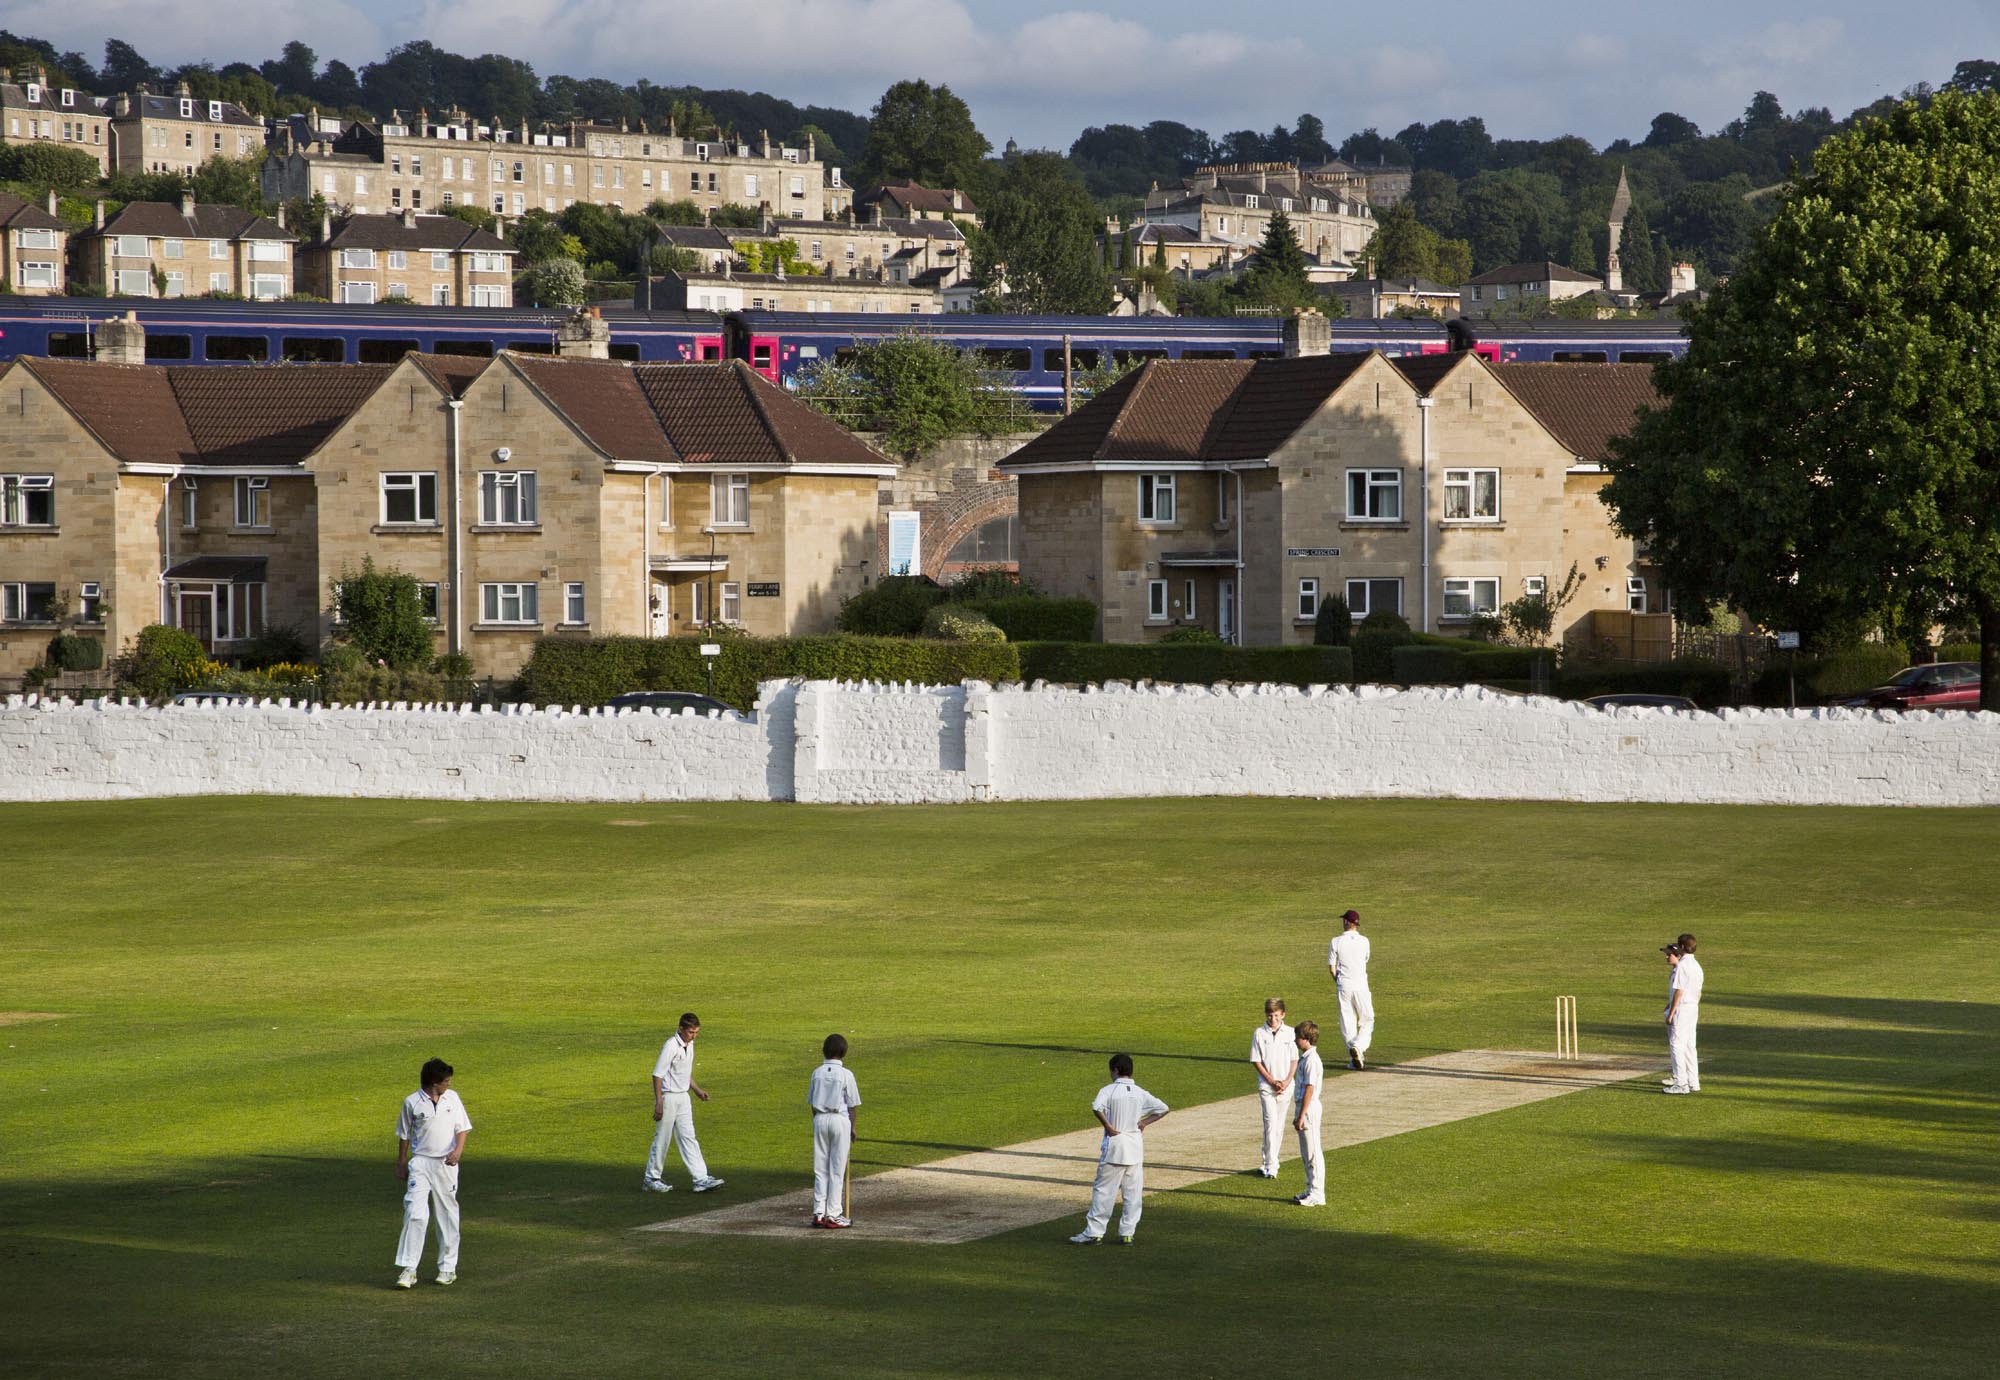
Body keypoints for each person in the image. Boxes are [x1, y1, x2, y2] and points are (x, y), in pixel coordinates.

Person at [1070, 1053, 1171, 1245]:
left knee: (1104, 1192)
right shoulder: (1140, 1092)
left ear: (1115, 1070)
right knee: (1133, 1194)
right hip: (1135, 1147)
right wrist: (1144, 1123)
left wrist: (1108, 1127)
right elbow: (1163, 1108)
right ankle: (1127, 1234)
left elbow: (1096, 1107)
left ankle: (1094, 1233)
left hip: (1115, 1147)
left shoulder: (1109, 1090)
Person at [394, 1057, 472, 1289]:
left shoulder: (453, 1098)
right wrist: (401, 1162)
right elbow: (404, 1135)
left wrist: (458, 1151)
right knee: (415, 1213)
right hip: (420, 1163)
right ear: (432, 1081)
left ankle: (447, 1268)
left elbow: (463, 1128)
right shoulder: (412, 1102)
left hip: (446, 1164)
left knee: (447, 1215)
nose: (448, 1083)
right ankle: (409, 1269)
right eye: (445, 1080)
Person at [644, 1012, 725, 1194]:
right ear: (681, 1029)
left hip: (683, 1097)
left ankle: (700, 1179)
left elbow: (685, 1073)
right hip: (669, 1097)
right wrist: (659, 1102)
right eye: (691, 1032)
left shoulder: (690, 1044)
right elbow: (657, 1075)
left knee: (689, 1137)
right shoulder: (671, 1046)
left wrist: (697, 1090)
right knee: (663, 1138)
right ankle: (651, 1178)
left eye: (696, 1032)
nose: (694, 1036)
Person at [808, 1033, 861, 1228]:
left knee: (820, 1168)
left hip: (820, 1118)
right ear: (843, 1053)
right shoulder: (846, 1074)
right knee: (836, 1169)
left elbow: (812, 1102)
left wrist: (818, 1122)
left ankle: (819, 1212)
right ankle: (834, 1214)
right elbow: (852, 1104)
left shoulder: (817, 1072)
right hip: (839, 1120)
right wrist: (852, 1128)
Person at [1249, 998, 1297, 1179]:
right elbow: (1256, 1060)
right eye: (1270, 1015)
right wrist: (1271, 1081)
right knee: (1270, 1124)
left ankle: (1269, 1161)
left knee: (1278, 1125)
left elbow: (1294, 1060)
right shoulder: (1259, 1033)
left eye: (1276, 1015)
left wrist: (1285, 1081)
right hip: (1266, 1086)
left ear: (1283, 1014)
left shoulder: (1291, 1033)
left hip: (1286, 1086)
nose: (1273, 1019)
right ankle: (1271, 1164)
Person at [1328, 909, 1375, 1069]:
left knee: (1347, 1022)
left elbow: (1332, 969)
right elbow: (1365, 960)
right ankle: (1358, 1050)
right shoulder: (1365, 941)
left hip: (1344, 986)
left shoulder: (1335, 941)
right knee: (1367, 1019)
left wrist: (1339, 982)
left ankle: (1355, 1053)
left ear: (1348, 922)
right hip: (1361, 985)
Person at [1662, 933, 1704, 1094]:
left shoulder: (1683, 966)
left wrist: (1671, 1012)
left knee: (1677, 1045)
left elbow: (1679, 991)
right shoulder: (1697, 966)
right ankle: (1693, 1082)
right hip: (1692, 1007)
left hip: (1682, 1008)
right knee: (1689, 1046)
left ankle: (1681, 1084)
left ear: (1682, 947)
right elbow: (1698, 992)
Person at [1291, 1021, 1326, 1207]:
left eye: (1298, 1037)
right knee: (1306, 1153)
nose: (1295, 1040)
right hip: (1303, 1107)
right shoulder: (1306, 1057)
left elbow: (1310, 1089)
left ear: (1306, 1039)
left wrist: (1302, 1114)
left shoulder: (1312, 1060)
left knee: (1313, 1153)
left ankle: (1317, 1194)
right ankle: (1310, 1188)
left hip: (1309, 1108)